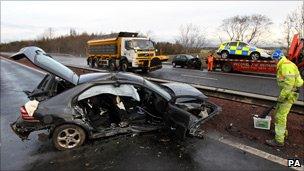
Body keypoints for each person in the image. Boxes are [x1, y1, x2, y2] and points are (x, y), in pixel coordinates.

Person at [266, 49, 303, 147]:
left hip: (290, 93)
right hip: (288, 92)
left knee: (280, 116)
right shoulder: (284, 64)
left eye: (274, 60)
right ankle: (281, 132)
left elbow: (289, 84)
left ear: (277, 58)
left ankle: (279, 140)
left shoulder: (286, 66)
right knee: (278, 112)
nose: (274, 62)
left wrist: (282, 97)